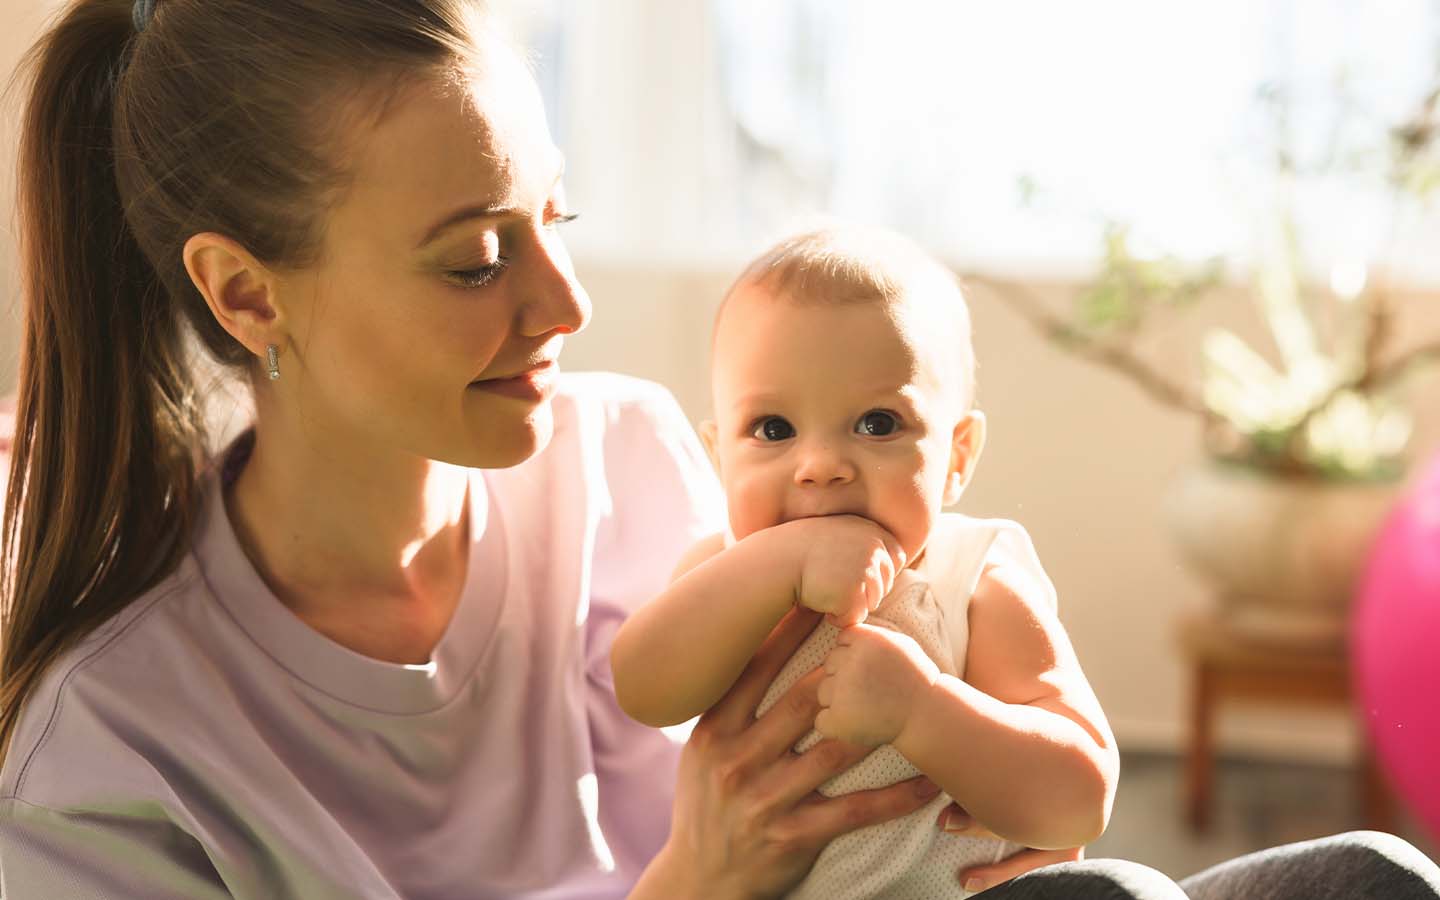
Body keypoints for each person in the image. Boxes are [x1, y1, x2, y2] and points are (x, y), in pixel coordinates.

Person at [0, 1, 1435, 898]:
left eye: (554, 218)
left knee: (1369, 878)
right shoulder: (111, 758)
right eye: (474, 259)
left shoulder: (622, 452)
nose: (564, 306)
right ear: (250, 294)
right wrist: (700, 882)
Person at [611, 226, 1118, 899]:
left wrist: (925, 709)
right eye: (772, 429)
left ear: (957, 457)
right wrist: (773, 566)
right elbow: (644, 690)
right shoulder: (725, 571)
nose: (820, 466)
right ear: (718, 454)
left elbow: (1081, 799)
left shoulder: (971, 580)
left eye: (878, 424)